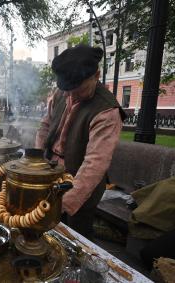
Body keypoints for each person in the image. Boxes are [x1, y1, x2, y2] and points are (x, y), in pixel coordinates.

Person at [35, 45, 125, 239]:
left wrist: (64, 205)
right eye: (68, 90)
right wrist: (36, 163)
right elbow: (45, 126)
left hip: (82, 181)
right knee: (46, 233)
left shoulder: (107, 112)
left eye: (79, 90)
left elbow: (95, 164)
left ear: (96, 75)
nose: (71, 96)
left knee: (76, 236)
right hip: (51, 173)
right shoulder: (62, 93)